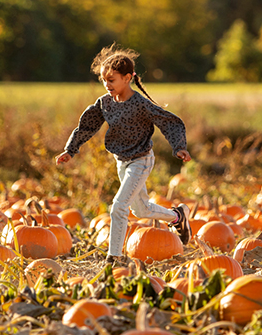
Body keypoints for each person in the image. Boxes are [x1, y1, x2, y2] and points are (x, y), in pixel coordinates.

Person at [55, 44, 192, 264]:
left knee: (119, 206)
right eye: (103, 80)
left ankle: (114, 257)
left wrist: (179, 147)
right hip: (122, 162)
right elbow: (86, 127)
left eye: (111, 80)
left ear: (127, 78)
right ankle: (178, 216)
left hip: (141, 161)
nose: (106, 85)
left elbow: (168, 122)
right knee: (141, 209)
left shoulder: (140, 104)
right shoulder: (105, 103)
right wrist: (70, 150)